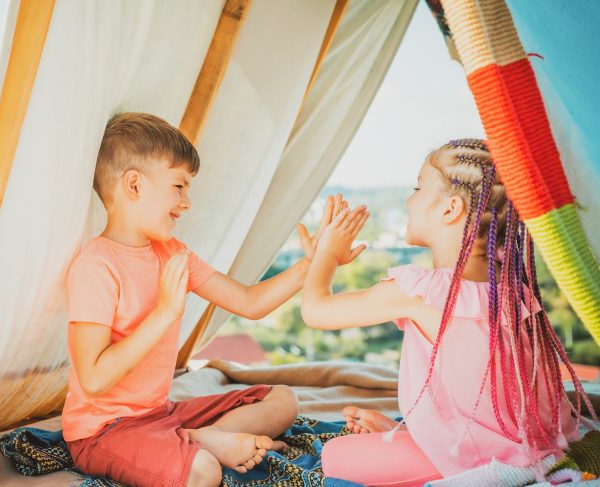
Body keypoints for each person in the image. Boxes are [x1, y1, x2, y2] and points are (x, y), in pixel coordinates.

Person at [301, 139, 597, 486]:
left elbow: (315, 310)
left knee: (333, 458)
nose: (408, 198)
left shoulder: (421, 292)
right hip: (532, 448)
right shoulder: (514, 296)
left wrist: (326, 254)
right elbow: (485, 405)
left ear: (449, 209)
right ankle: (415, 439)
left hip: (479, 463)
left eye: (418, 187)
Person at [64, 112, 333, 487]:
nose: (187, 202)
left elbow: (250, 303)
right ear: (134, 185)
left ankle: (200, 439)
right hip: (103, 432)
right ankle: (202, 447)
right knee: (203, 471)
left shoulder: (174, 254)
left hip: (161, 415)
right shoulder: (95, 266)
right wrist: (163, 313)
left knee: (283, 400)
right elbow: (92, 380)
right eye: (179, 186)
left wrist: (312, 262)